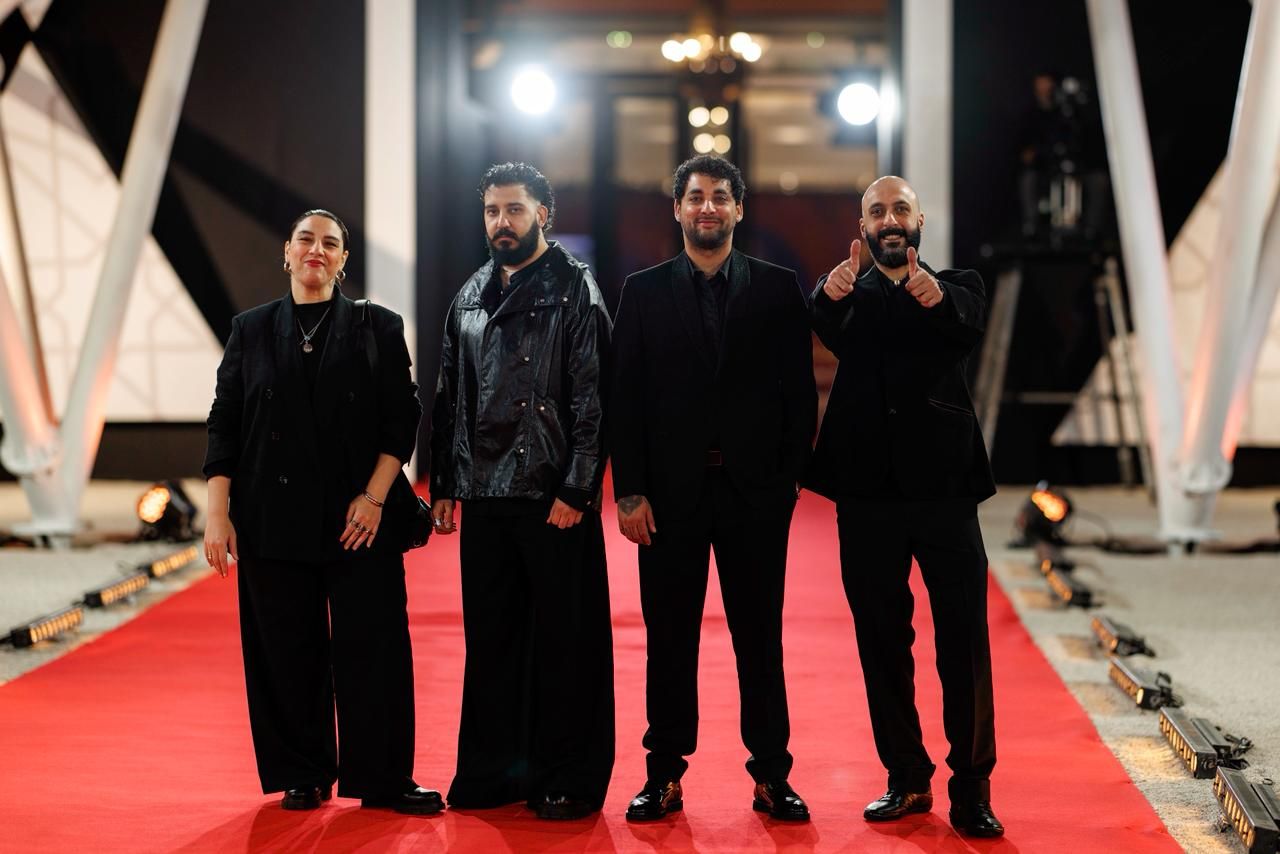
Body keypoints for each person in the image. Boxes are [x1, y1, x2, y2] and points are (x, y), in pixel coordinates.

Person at [203, 209, 441, 815]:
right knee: (285, 650)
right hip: (271, 515)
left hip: (359, 518)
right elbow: (225, 422)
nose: (316, 249)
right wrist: (216, 513)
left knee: (375, 648)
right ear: (286, 252)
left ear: (342, 260)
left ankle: (384, 778)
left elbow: (403, 419)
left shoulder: (377, 326)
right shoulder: (251, 329)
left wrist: (375, 497)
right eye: (305, 240)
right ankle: (301, 772)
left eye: (329, 243)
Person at [610, 154, 817, 822]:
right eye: (695, 196)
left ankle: (772, 775)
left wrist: (786, 484)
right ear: (677, 208)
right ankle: (663, 775)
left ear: (738, 209)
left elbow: (799, 395)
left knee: (760, 641)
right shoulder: (642, 292)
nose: (707, 207)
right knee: (669, 642)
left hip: (755, 496)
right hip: (667, 499)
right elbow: (625, 398)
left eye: (720, 196)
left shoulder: (778, 288)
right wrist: (630, 491)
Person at [806, 176, 1003, 838]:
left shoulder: (958, 287)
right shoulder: (845, 295)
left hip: (946, 493)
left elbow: (967, 321)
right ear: (862, 227)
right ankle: (906, 777)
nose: (889, 220)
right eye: (876, 212)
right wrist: (830, 292)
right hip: (866, 497)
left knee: (964, 642)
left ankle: (972, 787)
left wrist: (935, 295)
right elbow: (823, 319)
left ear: (919, 222)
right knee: (881, 641)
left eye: (900, 210)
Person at [429, 162, 614, 821]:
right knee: (492, 641)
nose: (501, 222)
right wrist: (444, 482)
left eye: (514, 209)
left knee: (566, 645)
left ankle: (569, 777)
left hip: (550, 495)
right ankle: (494, 773)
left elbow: (595, 398)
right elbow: (450, 396)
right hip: (483, 494)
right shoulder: (470, 293)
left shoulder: (576, 288)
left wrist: (579, 487)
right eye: (492, 211)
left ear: (544, 215)